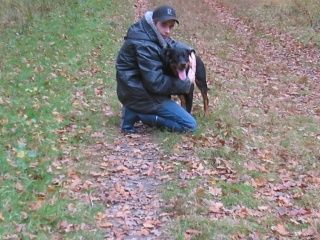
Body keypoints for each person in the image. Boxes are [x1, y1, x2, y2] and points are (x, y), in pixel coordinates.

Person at [115, 5, 197, 133]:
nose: (168, 31)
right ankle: (140, 114)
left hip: (138, 89)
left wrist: (190, 52)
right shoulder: (145, 45)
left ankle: (134, 110)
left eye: (171, 26)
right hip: (139, 94)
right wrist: (187, 81)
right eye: (164, 25)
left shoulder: (150, 31)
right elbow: (156, 83)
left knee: (184, 120)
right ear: (154, 22)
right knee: (190, 125)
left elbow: (172, 44)